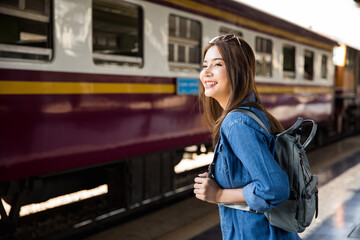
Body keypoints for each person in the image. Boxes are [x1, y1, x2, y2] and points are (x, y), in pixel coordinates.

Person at [193, 34, 301, 240]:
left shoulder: (237, 123)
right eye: (204, 65)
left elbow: (274, 188)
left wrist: (217, 195)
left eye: (217, 65)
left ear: (238, 71)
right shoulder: (251, 113)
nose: (205, 72)